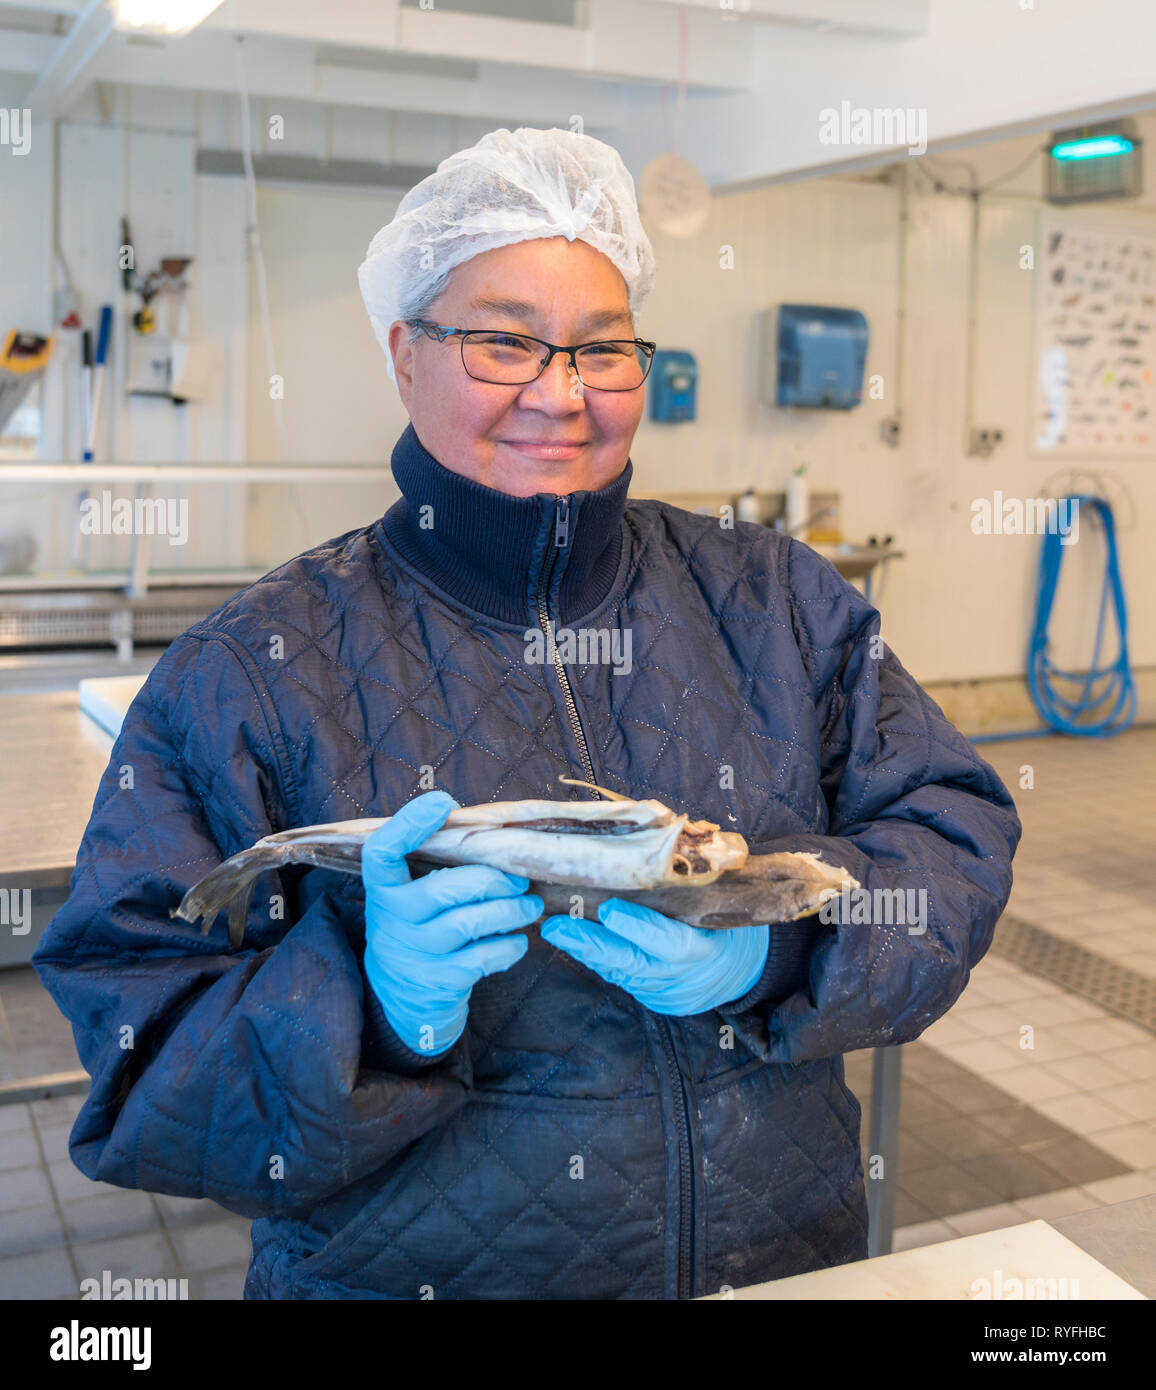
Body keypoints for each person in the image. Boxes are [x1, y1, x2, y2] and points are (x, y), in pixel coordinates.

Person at [34, 126, 1020, 1300]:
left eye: (601, 349)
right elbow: (141, 1058)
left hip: (777, 1267)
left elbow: (951, 831)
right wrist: (368, 1008)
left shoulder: (771, 600)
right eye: (503, 342)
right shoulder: (255, 666)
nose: (560, 393)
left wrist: (779, 946)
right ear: (405, 356)